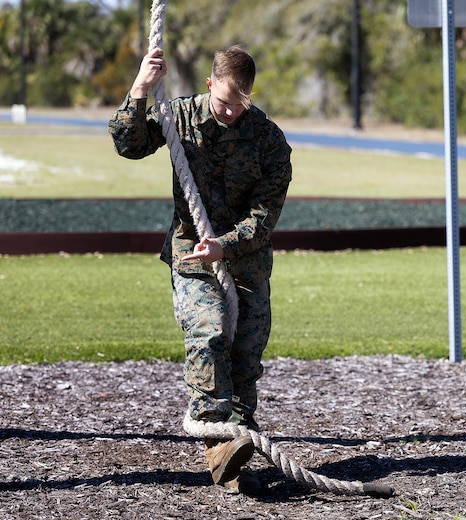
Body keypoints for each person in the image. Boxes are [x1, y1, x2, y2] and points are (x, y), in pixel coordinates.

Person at [109, 45, 293, 494]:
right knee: (209, 330)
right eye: (225, 100)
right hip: (192, 253)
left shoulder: (269, 140)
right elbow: (127, 145)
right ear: (210, 83)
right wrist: (139, 88)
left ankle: (231, 457)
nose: (231, 111)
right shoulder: (179, 116)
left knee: (245, 358)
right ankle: (217, 436)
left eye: (241, 102)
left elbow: (265, 216)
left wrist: (226, 247)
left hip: (244, 260)